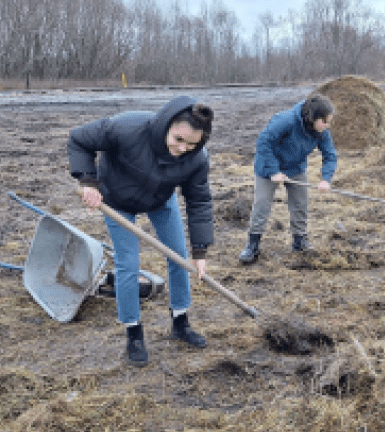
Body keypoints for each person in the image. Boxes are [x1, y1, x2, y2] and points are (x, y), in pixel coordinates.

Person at [68, 96, 214, 366]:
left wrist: (200, 250)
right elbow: (79, 139)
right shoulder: (128, 128)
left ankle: (180, 323)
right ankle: (133, 333)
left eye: (191, 144)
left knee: (179, 257)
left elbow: (199, 201)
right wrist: (88, 181)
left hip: (160, 200)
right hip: (117, 201)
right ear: (168, 125)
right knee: (128, 264)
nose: (182, 148)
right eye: (178, 139)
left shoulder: (196, 159)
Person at [238, 94, 337, 264]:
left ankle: (300, 242)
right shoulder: (287, 121)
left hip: (295, 168)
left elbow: (330, 155)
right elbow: (263, 142)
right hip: (268, 167)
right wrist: (274, 171)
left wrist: (326, 179)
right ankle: (252, 245)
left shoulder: (321, 132)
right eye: (325, 121)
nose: (328, 125)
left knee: (300, 204)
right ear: (313, 117)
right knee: (262, 204)